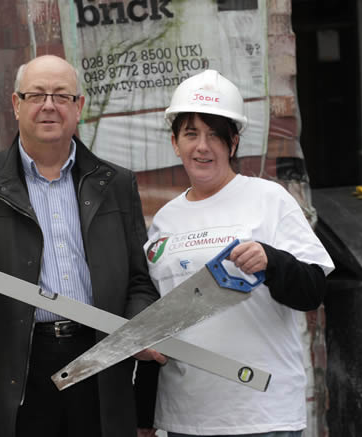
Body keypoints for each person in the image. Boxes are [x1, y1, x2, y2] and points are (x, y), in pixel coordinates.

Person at [0, 54, 165, 437]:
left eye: (61, 96)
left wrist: (135, 327)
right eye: (36, 95)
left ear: (78, 107)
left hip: (99, 363)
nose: (49, 106)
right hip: (14, 373)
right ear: (16, 104)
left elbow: (140, 282)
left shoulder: (115, 184)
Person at [140, 69, 335, 436]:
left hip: (264, 415)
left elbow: (312, 291)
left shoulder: (269, 199)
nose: (202, 146)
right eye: (191, 134)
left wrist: (272, 260)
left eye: (215, 135)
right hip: (185, 417)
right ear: (175, 142)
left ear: (233, 143)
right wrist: (143, 417)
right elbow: (158, 319)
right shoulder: (165, 221)